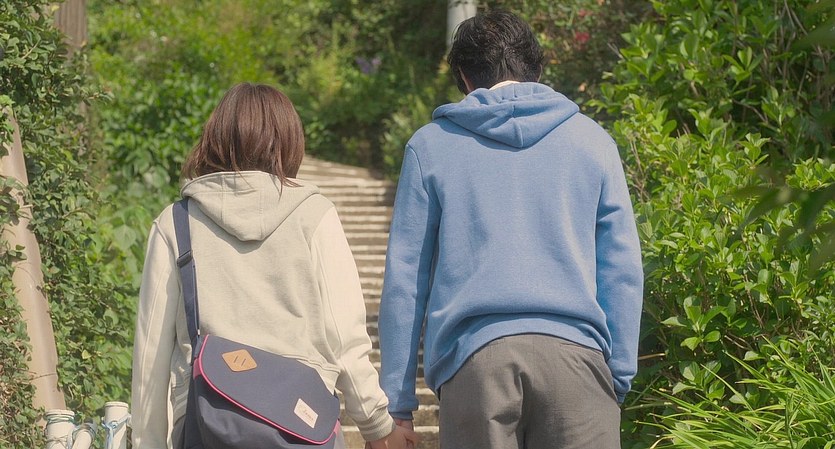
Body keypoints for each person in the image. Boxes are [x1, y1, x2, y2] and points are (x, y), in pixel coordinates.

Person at [378, 10, 643, 449]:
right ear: (537, 70)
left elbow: (406, 282)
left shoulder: (430, 147)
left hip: (475, 364)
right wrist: (616, 375)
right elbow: (622, 268)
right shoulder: (593, 142)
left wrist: (397, 405)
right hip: (578, 361)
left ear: (464, 78)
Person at [131, 82, 418, 449]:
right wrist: (377, 426)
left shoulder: (176, 223)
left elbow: (151, 357)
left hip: (206, 423)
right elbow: (344, 337)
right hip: (303, 424)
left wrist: (149, 441)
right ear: (288, 141)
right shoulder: (315, 216)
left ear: (215, 138)